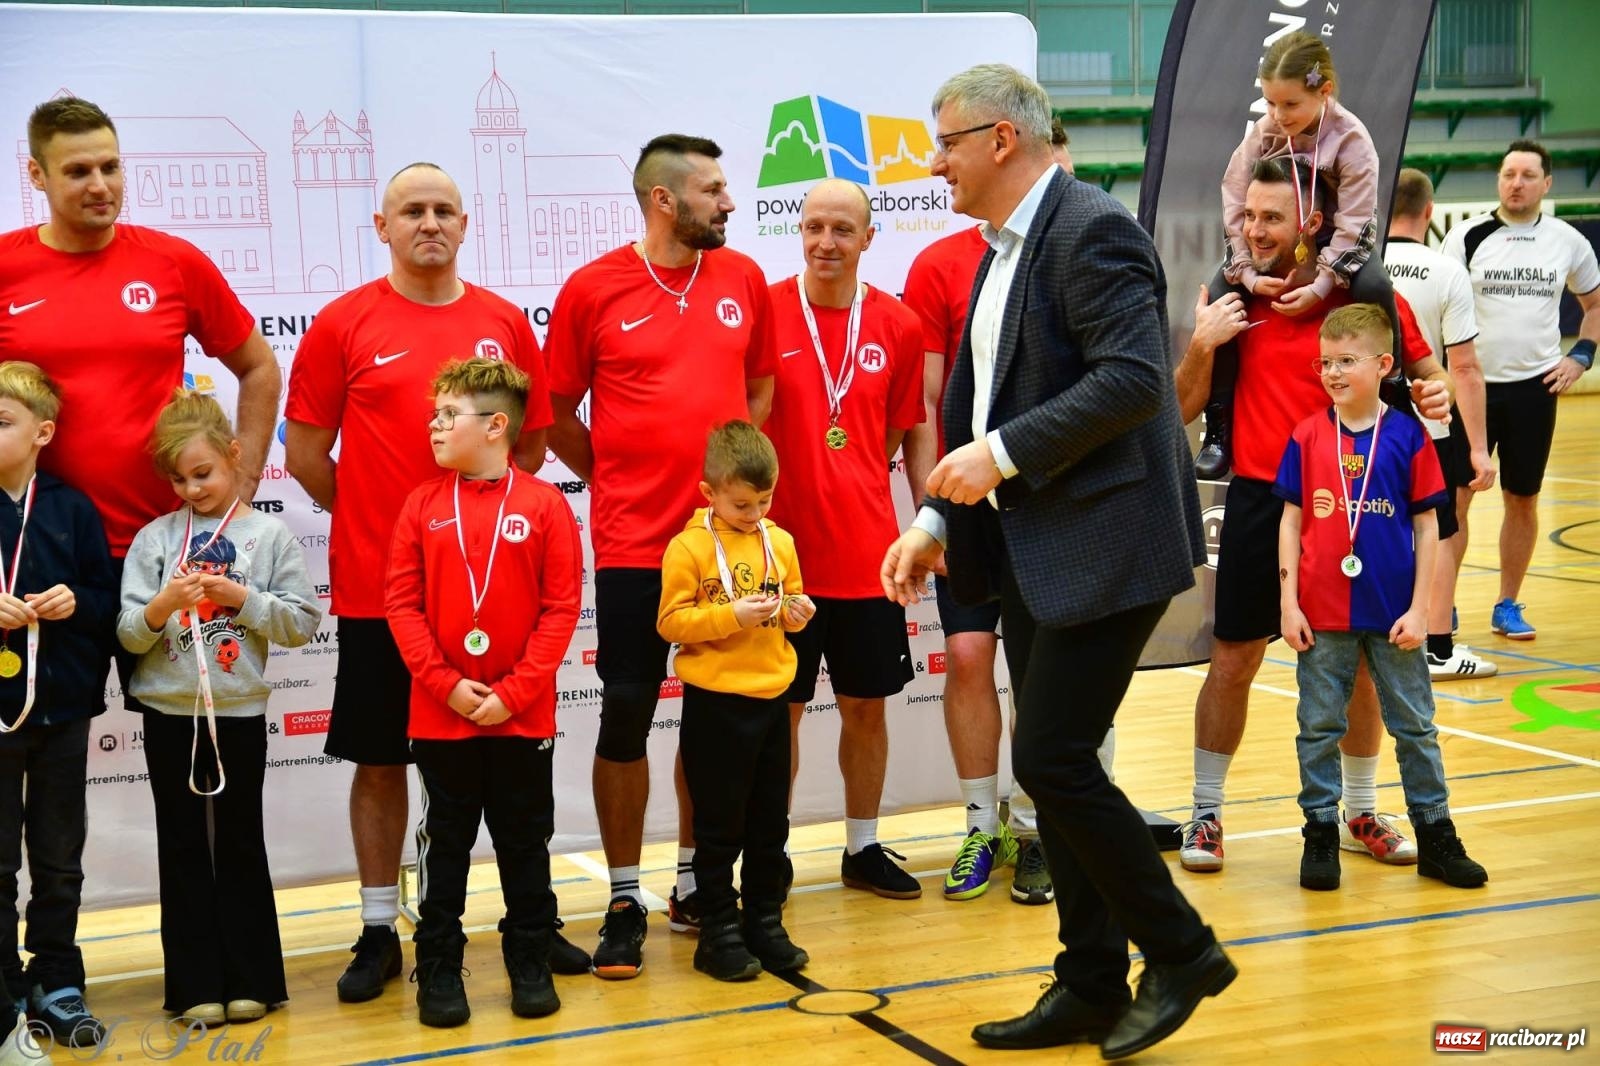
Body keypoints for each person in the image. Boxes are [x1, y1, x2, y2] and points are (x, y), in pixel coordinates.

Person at [882, 64, 1233, 1060]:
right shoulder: (997, 250)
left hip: (1111, 540)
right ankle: (1087, 980)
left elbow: (1132, 381)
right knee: (1057, 759)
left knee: (1049, 759)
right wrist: (937, 523)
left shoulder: (1089, 228)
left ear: (999, 141)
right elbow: (975, 407)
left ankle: (1182, 950)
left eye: (943, 141)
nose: (933, 161)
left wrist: (994, 456)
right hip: (1037, 544)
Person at [285, 162, 568, 1002]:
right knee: (379, 761)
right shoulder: (342, 323)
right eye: (413, 210)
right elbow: (305, 456)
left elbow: (533, 448)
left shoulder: (503, 323)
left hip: (497, 599)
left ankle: (532, 927)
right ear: (382, 226)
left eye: (445, 209)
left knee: (513, 773)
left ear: (466, 223)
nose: (430, 222)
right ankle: (380, 929)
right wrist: (391, 526)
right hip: (384, 596)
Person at [1174, 158, 1453, 875]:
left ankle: (1360, 809)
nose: (1255, 230)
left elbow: (1425, 371)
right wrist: (1204, 341)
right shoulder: (1231, 291)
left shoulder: (1363, 297)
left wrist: (1438, 395)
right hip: (1265, 501)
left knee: (1362, 665)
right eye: (1248, 217)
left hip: (1360, 508)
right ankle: (1206, 816)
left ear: (1313, 224)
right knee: (1233, 659)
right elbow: (1180, 409)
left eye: (1271, 217)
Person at [544, 134, 776, 977]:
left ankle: (696, 883)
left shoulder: (744, 280)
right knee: (629, 711)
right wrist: (611, 473)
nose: (729, 203)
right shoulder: (593, 288)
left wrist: (733, 486)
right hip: (636, 543)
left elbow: (760, 388)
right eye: (713, 189)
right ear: (664, 200)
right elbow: (556, 411)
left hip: (725, 546)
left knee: (716, 724)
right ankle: (623, 893)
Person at [0, 95, 280, 694]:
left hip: (165, 553)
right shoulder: (6, 266)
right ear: (37, 175)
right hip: (39, 557)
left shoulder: (171, 262)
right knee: (41, 747)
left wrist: (246, 476)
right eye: (78, 171)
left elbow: (258, 366)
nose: (100, 185)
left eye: (111, 166)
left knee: (190, 745)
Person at [901, 126, 1099, 907]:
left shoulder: (1086, 239)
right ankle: (985, 826)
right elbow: (929, 408)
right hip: (971, 511)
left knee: (1060, 681)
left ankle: (1051, 829)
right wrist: (935, 515)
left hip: (1057, 514)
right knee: (975, 661)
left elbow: (1117, 392)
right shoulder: (947, 263)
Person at [385, 359, 581, 1027]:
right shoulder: (421, 505)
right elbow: (401, 606)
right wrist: (446, 686)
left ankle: (528, 956)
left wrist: (516, 694)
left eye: (450, 415)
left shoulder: (546, 505)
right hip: (443, 720)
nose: (435, 426)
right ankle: (438, 965)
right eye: (434, 414)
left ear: (496, 427)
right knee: (447, 847)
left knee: (525, 844)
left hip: (522, 719)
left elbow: (561, 610)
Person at [117, 390, 320, 1026]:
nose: (191, 488)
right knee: (181, 845)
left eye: (202, 473)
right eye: (178, 479)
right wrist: (160, 607)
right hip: (167, 713)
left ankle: (252, 978)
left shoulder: (268, 536)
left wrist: (243, 598)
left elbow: (302, 623)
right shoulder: (155, 539)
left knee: (239, 842)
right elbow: (125, 631)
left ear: (235, 456)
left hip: (235, 713)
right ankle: (194, 986)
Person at [1276, 305, 1488, 891]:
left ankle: (1437, 837)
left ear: (1384, 363)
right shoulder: (1307, 434)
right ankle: (1320, 836)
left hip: (1396, 615)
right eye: (1326, 362)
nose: (1334, 372)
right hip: (1321, 615)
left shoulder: (1409, 436)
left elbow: (1429, 528)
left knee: (1416, 726)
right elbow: (1291, 522)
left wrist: (1423, 609)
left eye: (1348, 360)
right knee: (1317, 725)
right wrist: (1289, 604)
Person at [761, 179, 924, 899]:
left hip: (867, 556)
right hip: (777, 562)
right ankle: (770, 850)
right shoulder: (762, 312)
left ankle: (863, 847)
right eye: (813, 227)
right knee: (780, 717)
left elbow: (890, 435)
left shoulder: (898, 325)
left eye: (841, 230)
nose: (825, 242)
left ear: (867, 238)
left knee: (866, 708)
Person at [1195, 31, 1399, 480]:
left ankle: (1395, 389)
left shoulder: (1352, 140)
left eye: (1290, 105)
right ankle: (1219, 428)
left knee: (1375, 286)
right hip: (1281, 235)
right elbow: (1234, 194)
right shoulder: (1267, 132)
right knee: (1219, 298)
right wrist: (1246, 275)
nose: (1277, 115)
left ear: (1323, 91)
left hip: (1337, 241)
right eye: (1270, 103)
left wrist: (1324, 283)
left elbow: (1355, 221)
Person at [657, 421, 814, 981]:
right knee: (719, 825)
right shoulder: (689, 548)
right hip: (716, 703)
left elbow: (789, 602)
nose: (755, 513)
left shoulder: (782, 541)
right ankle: (718, 928)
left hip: (771, 696)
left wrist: (796, 611)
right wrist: (729, 616)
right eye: (743, 503)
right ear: (710, 493)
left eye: (765, 501)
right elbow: (670, 622)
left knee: (771, 821)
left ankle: (764, 921)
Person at [1441, 139, 1600, 641]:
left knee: (1523, 498)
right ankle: (1443, 605)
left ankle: (1507, 604)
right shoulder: (1466, 236)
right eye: (1509, 174)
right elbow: (1441, 311)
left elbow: (1594, 305)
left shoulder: (1568, 241)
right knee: (1457, 499)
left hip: (1535, 391)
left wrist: (1581, 357)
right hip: (1471, 390)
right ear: (1499, 179)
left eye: (1528, 175)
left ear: (1546, 184)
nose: (1516, 183)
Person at [0, 363, 116, 1049]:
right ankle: (2, 987)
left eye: (3, 421)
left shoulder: (72, 508)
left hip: (64, 711)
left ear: (43, 432)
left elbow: (107, 601)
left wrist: (77, 603)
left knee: (58, 855)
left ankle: (56, 977)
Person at [1385, 169, 1498, 680]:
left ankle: (1376, 632)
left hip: (1367, 426)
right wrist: (1478, 448)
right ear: (1429, 212)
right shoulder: (1447, 270)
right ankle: (1438, 647)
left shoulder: (1357, 268)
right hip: (1429, 427)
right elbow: (1465, 368)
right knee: (1440, 531)